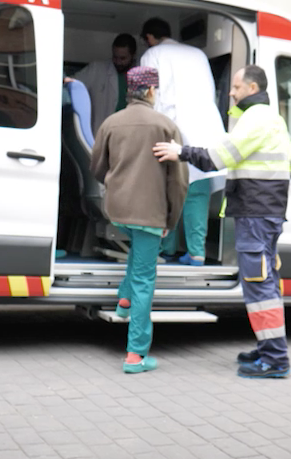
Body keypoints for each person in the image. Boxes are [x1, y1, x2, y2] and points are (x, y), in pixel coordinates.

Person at [153, 65, 291, 379]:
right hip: (267, 214)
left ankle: (275, 359)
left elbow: (219, 158)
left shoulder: (255, 119)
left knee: (259, 287)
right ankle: (268, 345)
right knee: (266, 282)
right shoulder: (274, 119)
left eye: (236, 87)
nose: (231, 93)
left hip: (255, 215)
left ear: (253, 88)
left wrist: (181, 151)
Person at [90, 66, 188, 374]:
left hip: (118, 210)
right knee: (146, 278)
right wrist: (170, 218)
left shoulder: (111, 123)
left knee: (137, 248)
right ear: (149, 91)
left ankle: (124, 300)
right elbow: (178, 182)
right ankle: (135, 355)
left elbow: (96, 167)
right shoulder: (165, 125)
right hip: (149, 212)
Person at [139, 17, 226, 266]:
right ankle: (197, 252)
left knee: (168, 190)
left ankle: (166, 249)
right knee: (197, 191)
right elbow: (210, 92)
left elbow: (148, 96)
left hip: (171, 128)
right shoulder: (198, 54)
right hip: (205, 129)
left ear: (149, 38)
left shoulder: (152, 55)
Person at [66, 33, 138, 134]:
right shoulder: (97, 69)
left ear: (133, 55)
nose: (118, 62)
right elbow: (71, 84)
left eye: (123, 58)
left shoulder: (140, 75)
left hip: (128, 132)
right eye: (115, 57)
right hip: (102, 131)